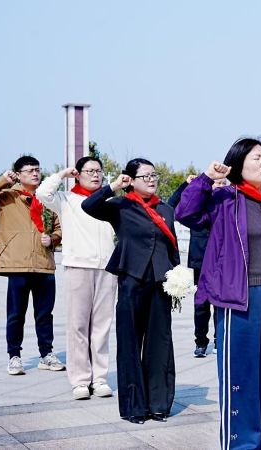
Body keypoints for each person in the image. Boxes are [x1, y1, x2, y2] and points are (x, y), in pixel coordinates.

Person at [175, 138, 261, 449]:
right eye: (256, 158)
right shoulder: (224, 200)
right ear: (239, 164)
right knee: (240, 375)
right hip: (239, 297)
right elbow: (185, 213)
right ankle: (242, 443)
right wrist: (205, 179)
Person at [82, 158, 178, 424]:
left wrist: (178, 277)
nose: (151, 179)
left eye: (153, 174)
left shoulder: (166, 209)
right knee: (130, 343)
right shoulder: (121, 205)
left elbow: (172, 247)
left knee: (160, 343)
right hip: (131, 281)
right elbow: (88, 205)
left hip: (160, 283)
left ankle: (159, 403)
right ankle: (134, 406)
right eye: (145, 176)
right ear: (131, 180)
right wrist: (112, 186)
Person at [0, 155, 65, 376]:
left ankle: (46, 354)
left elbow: (60, 228)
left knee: (45, 314)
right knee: (16, 314)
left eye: (37, 169)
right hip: (17, 265)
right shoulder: (6, 196)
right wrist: (3, 180)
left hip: (43, 264)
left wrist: (53, 239)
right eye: (30, 170)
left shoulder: (47, 199)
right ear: (19, 174)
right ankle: (14, 356)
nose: (35, 173)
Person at [37, 157, 117, 399]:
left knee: (102, 327)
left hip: (106, 269)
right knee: (78, 326)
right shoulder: (66, 200)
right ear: (78, 174)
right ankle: (81, 380)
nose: (95, 175)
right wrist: (62, 174)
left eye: (98, 171)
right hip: (78, 267)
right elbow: (42, 192)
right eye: (89, 171)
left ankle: (100, 377)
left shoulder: (109, 201)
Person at [169, 174, 226, 358]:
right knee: (201, 304)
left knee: (220, 303)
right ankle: (201, 341)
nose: (220, 186)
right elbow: (171, 206)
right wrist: (186, 184)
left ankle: (220, 339)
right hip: (199, 261)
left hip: (221, 262)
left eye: (223, 183)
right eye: (217, 182)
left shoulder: (227, 204)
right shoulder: (198, 204)